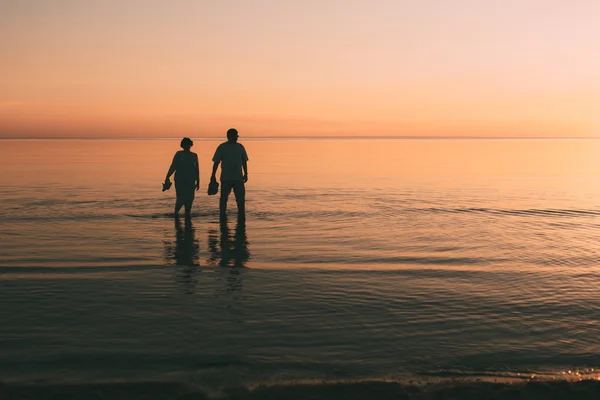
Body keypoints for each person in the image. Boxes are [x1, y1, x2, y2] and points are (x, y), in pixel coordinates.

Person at [211, 128, 249, 217]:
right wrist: (213, 175)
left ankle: (241, 215)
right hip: (226, 178)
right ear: (229, 136)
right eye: (236, 136)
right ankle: (222, 215)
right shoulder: (222, 147)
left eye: (237, 136)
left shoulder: (240, 147)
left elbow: (244, 161)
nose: (237, 137)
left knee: (240, 199)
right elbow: (216, 162)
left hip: (238, 178)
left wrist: (246, 173)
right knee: (224, 199)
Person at [165, 137, 200, 218]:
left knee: (190, 198)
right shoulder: (178, 154)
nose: (187, 146)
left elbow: (196, 169)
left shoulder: (194, 155)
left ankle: (187, 214)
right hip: (180, 179)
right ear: (182, 145)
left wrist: (198, 181)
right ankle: (176, 213)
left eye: (188, 145)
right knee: (180, 198)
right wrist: (167, 176)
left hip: (191, 180)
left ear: (190, 145)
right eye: (185, 145)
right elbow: (173, 166)